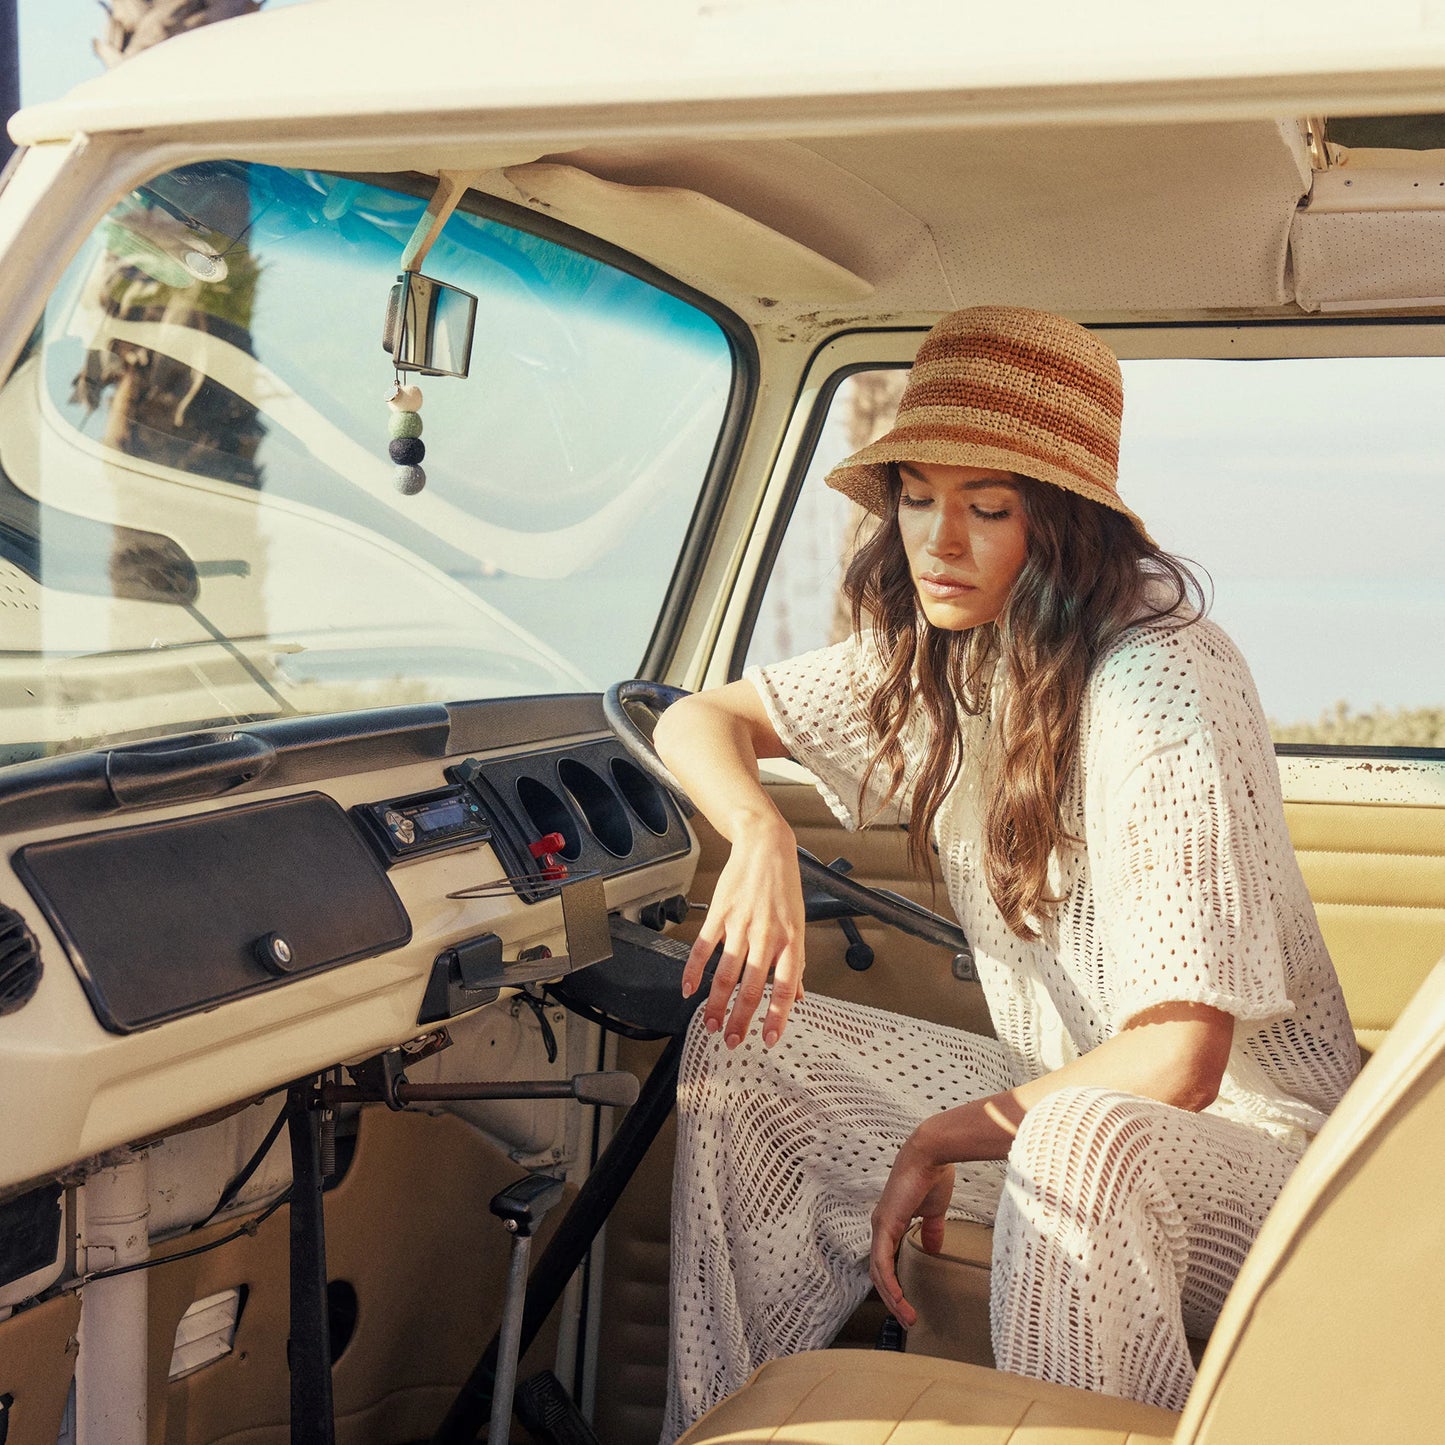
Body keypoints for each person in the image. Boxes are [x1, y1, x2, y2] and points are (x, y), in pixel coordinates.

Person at [651, 306, 1360, 1440]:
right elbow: (699, 715)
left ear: (1068, 525)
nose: (939, 540)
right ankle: (725, 1421)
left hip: (1265, 1177)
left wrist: (940, 1132)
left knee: (1070, 1133)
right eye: (919, 496)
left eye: (988, 506)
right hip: (1071, 1097)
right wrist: (760, 834)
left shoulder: (1160, 678)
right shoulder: (961, 651)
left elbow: (1179, 1062)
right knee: (748, 1045)